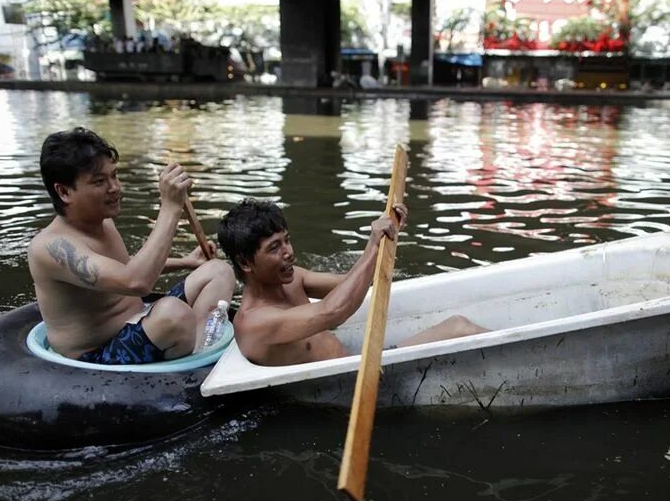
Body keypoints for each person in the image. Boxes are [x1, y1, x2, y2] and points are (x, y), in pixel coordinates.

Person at [28, 127, 236, 363]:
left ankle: (198, 350)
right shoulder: (51, 248)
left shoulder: (103, 221)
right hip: (99, 352)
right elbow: (136, 282)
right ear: (64, 191)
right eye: (99, 181)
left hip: (140, 320)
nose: (115, 187)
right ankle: (192, 349)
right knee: (173, 314)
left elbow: (124, 268)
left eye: (114, 176)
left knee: (218, 270)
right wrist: (170, 208)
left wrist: (187, 262)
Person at [218, 199, 486, 366]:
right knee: (461, 329)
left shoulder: (293, 278)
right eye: (274, 247)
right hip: (352, 385)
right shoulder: (254, 322)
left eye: (287, 240)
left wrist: (387, 239)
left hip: (361, 365)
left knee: (459, 324)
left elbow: (356, 284)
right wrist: (371, 246)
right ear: (245, 263)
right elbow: (333, 312)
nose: (288, 251)